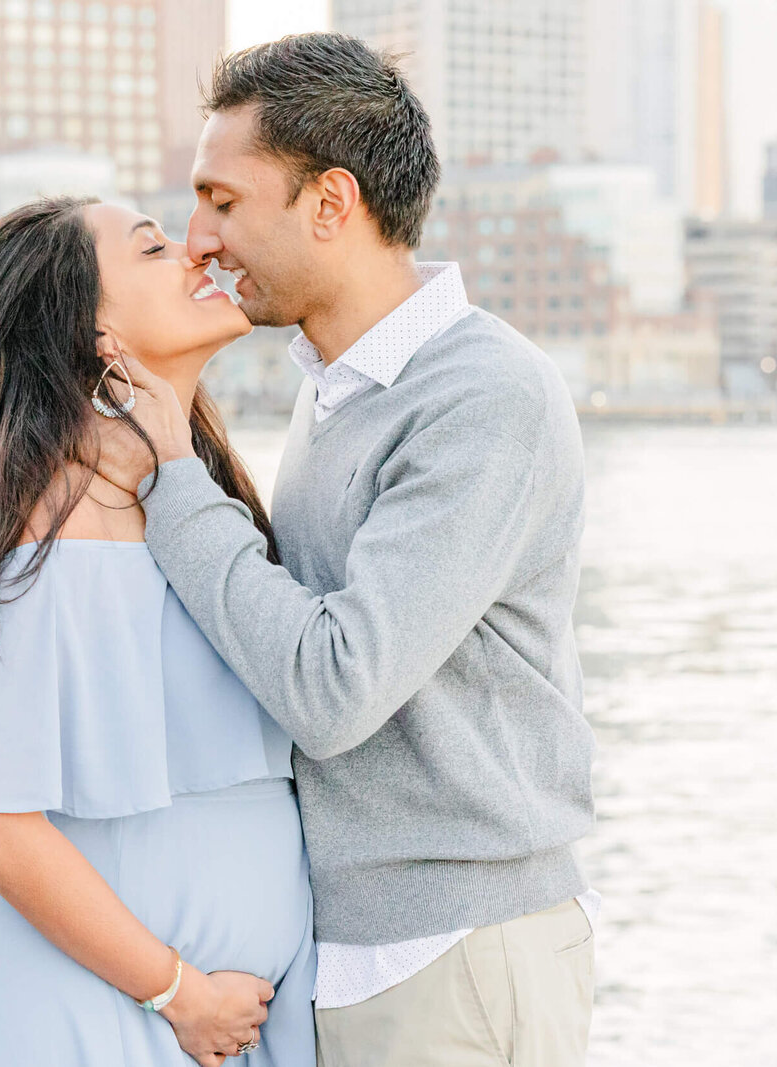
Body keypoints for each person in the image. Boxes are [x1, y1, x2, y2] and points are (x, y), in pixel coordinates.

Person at [95, 33, 598, 1067]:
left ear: (331, 203)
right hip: (360, 945)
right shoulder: (335, 389)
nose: (199, 238)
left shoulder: (482, 395)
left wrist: (172, 474)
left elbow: (334, 685)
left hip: (450, 950)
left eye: (224, 202)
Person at [0, 196, 315, 1066]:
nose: (195, 255)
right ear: (92, 327)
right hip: (86, 1011)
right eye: (153, 248)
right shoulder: (60, 512)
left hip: (209, 1019)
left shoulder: (194, 491)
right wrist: (179, 990)